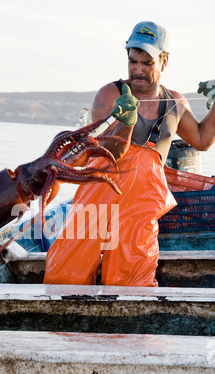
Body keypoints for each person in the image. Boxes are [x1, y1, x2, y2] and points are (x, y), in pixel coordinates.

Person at [44, 21, 215, 287]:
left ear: (164, 61)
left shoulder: (175, 103)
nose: (137, 70)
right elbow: (103, 152)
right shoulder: (109, 95)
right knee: (66, 271)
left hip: (142, 206)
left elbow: (203, 140)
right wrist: (126, 121)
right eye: (133, 61)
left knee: (131, 281)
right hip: (99, 196)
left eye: (147, 63)